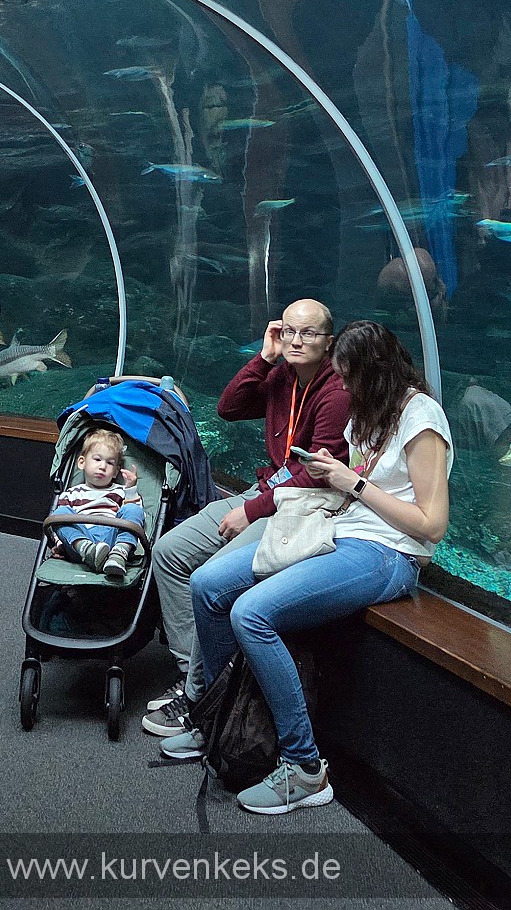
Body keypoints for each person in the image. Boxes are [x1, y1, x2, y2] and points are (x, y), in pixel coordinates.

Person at [158, 320, 452, 816]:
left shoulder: (421, 416)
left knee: (251, 613)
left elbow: (432, 525)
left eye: (350, 377)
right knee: (208, 583)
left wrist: (350, 482)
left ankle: (305, 766)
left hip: (388, 552)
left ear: (374, 372)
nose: (344, 387)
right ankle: (214, 720)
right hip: (337, 529)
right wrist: (332, 476)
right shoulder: (370, 411)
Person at [143, 298, 350, 739]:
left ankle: (199, 695)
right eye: (288, 331)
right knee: (170, 552)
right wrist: (264, 356)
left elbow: (316, 475)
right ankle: (196, 674)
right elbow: (229, 407)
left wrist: (250, 511)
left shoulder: (337, 393)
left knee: (212, 577)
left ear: (329, 342)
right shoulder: (282, 376)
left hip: (300, 506)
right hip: (265, 492)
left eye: (308, 333)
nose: (296, 340)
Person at [47, 428, 145, 582]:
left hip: (112, 540)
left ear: (116, 471)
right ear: (82, 462)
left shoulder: (120, 491)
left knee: (133, 509)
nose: (102, 466)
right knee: (59, 514)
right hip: (80, 542)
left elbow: (137, 516)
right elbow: (58, 526)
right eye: (97, 459)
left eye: (110, 463)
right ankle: (87, 550)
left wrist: (131, 489)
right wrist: (59, 544)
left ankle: (119, 553)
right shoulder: (71, 494)